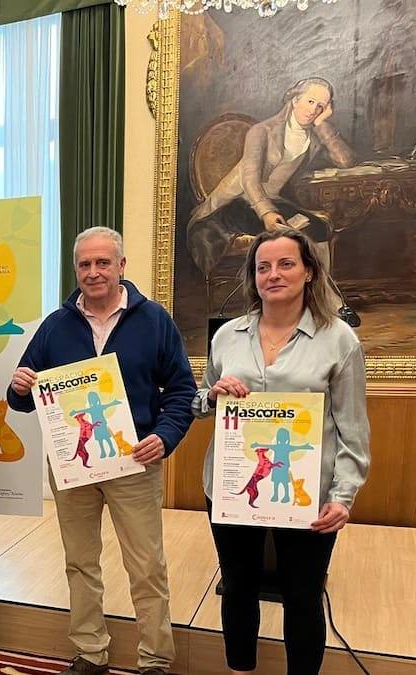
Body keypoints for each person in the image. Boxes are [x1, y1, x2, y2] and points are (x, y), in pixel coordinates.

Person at [6, 226, 196, 675]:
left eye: (103, 262)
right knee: (80, 562)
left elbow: (182, 390)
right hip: (74, 466)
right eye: (84, 264)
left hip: (134, 462)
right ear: (76, 269)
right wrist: (19, 386)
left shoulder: (154, 320)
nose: (93, 272)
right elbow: (22, 397)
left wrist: (165, 436)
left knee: (146, 567)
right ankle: (91, 652)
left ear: (121, 266)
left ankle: (154, 660)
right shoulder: (55, 325)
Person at [193, 227, 369, 674]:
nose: (273, 274)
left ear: (309, 271)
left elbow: (353, 429)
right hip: (233, 484)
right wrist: (212, 395)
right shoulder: (227, 336)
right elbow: (199, 403)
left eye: (286, 264)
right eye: (263, 267)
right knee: (237, 587)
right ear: (253, 277)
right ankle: (240, 669)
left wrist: (343, 496)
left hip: (308, 492)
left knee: (302, 595)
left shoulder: (339, 339)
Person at [186, 77, 355, 278]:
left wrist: (321, 123)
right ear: (295, 100)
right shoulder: (262, 131)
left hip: (273, 201)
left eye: (320, 106)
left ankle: (319, 290)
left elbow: (345, 161)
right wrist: (266, 212)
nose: (313, 110)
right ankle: (288, 289)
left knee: (318, 229)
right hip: (236, 203)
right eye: (310, 101)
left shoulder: (313, 136)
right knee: (292, 238)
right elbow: (249, 179)